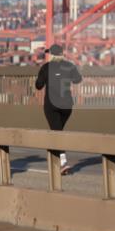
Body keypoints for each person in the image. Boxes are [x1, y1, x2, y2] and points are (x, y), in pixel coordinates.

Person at [35, 44, 83, 175]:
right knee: (58, 130)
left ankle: (62, 162)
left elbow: (38, 86)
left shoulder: (46, 67)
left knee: (57, 132)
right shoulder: (69, 66)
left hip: (52, 106)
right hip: (67, 106)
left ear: (51, 55)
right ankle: (55, 153)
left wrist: (42, 79)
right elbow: (78, 80)